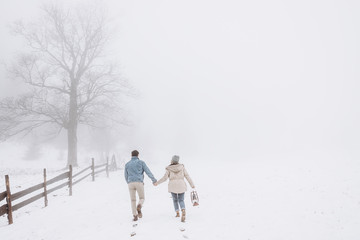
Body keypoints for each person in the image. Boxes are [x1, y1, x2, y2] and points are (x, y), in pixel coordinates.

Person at [154, 155, 195, 222]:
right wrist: (192, 185)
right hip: (181, 185)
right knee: (181, 200)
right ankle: (183, 210)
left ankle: (177, 213)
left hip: (172, 186)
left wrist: (157, 183)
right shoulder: (182, 167)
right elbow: (187, 176)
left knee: (175, 200)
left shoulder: (169, 168)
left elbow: (164, 178)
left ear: (172, 160)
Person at [124, 150, 157, 221]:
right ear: (138, 155)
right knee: (142, 198)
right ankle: (139, 205)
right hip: (139, 182)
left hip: (130, 183)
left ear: (131, 155)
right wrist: (154, 180)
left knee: (133, 200)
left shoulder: (127, 164)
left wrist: (129, 182)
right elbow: (148, 172)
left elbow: (125, 175)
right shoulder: (141, 162)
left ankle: (135, 215)